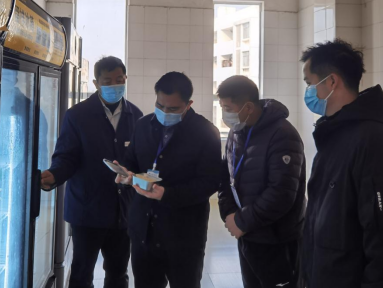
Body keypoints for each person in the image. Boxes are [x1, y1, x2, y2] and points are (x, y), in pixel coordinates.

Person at [300, 39, 383, 288]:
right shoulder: (335, 134)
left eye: (309, 83)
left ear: (331, 82)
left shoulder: (373, 141)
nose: (308, 92)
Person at [41, 56, 143, 288]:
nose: (114, 85)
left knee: (118, 273)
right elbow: (67, 156)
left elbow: (140, 159)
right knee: (81, 273)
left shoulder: (136, 116)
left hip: (123, 211)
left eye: (120, 79)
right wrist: (55, 175)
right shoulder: (78, 115)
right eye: (107, 81)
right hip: (87, 211)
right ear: (96, 83)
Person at [114, 72, 221, 288]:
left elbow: (209, 182)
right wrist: (126, 173)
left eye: (173, 109)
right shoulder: (143, 125)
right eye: (160, 105)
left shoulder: (206, 132)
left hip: (183, 234)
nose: (164, 112)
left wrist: (167, 194)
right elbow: (131, 160)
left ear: (188, 104)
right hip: (144, 229)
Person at [216, 75, 306, 288]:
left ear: (248, 107)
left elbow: (281, 193)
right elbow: (226, 176)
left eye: (228, 108)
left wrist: (242, 221)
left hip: (276, 239)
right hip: (247, 234)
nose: (224, 114)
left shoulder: (283, 134)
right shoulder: (237, 131)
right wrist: (230, 214)